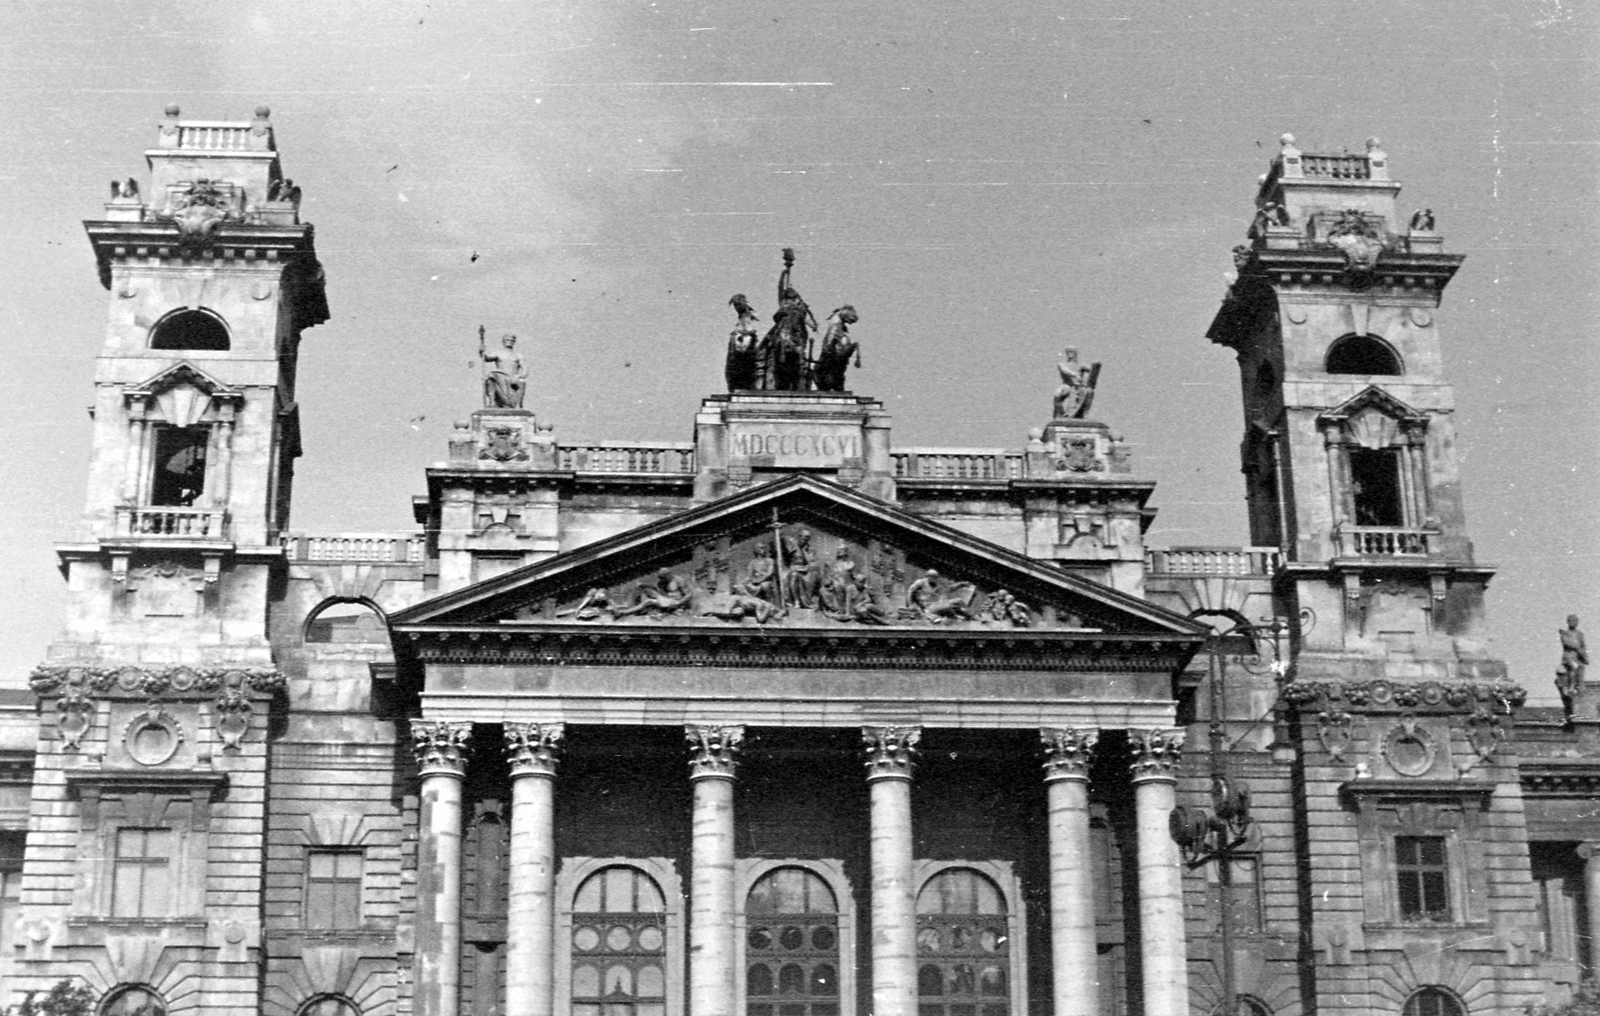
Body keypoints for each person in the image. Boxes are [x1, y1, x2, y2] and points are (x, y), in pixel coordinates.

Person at [814, 306, 860, 392]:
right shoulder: (836, 322)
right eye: (849, 321)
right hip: (832, 349)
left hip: (833, 348)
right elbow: (832, 335)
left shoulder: (838, 323)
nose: (849, 323)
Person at [479, 325, 527, 409]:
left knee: (522, 382)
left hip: (513, 378)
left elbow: (525, 370)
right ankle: (492, 402)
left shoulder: (518, 355)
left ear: (514, 342)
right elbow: (486, 358)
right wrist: (481, 351)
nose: (510, 342)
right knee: (491, 377)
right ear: (503, 341)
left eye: (512, 340)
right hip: (500, 377)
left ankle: (518, 405)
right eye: (507, 340)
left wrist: (518, 376)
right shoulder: (498, 353)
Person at [725, 294, 761, 391]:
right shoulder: (740, 317)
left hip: (748, 329)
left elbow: (755, 317)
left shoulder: (748, 313)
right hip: (742, 329)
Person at [1558, 614, 1589, 710]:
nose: (1573, 622)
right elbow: (1568, 643)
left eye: (1575, 621)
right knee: (1574, 666)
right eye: (1571, 620)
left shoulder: (1580, 634)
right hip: (1568, 656)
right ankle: (1571, 687)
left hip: (1577, 656)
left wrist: (1585, 656)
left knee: (1580, 667)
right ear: (1568, 622)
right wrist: (1577, 648)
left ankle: (1579, 688)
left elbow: (1583, 645)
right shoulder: (1565, 633)